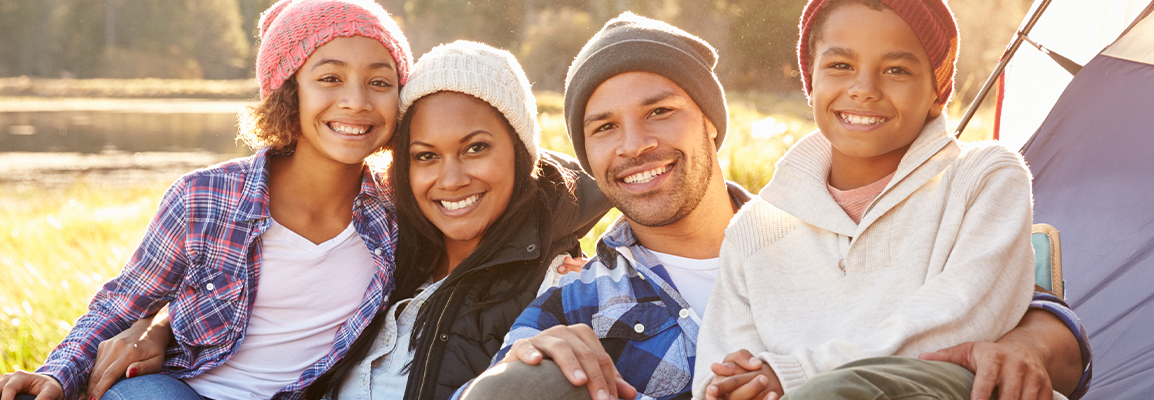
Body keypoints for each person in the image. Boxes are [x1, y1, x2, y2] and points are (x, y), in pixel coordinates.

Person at [458, 11, 1092, 400]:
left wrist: (1045, 336)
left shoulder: (819, 220)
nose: (634, 145)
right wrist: (531, 359)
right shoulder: (578, 296)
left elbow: (1005, 307)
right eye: (602, 129)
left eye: (660, 112)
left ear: (710, 123)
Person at [84, 41, 610, 400]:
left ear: (521, 154)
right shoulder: (393, 242)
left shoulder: (557, 281)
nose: (450, 180)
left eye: (475, 149)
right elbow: (261, 301)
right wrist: (158, 323)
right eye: (424, 155)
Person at [0, 1, 413, 399]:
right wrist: (56, 375)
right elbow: (122, 305)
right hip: (177, 391)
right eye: (330, 78)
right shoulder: (204, 197)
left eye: (379, 81)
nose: (357, 101)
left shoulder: (399, 211)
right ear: (288, 91)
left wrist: (159, 330)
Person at [692, 0, 1065, 399]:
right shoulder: (754, 229)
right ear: (811, 82)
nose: (864, 89)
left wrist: (798, 372)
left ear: (937, 94)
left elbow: (960, 319)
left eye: (896, 70)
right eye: (840, 66)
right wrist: (735, 387)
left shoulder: (984, 177)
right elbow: (722, 371)